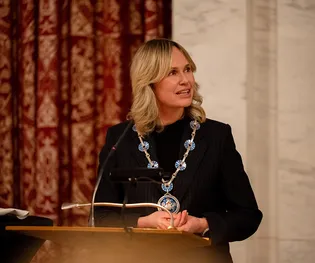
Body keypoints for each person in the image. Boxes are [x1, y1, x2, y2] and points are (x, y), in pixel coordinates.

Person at [95, 38, 262, 262]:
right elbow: (101, 216)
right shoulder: (120, 138)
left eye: (187, 70)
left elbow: (248, 216)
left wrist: (201, 224)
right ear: (150, 82)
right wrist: (145, 222)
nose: (186, 81)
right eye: (172, 73)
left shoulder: (216, 136)